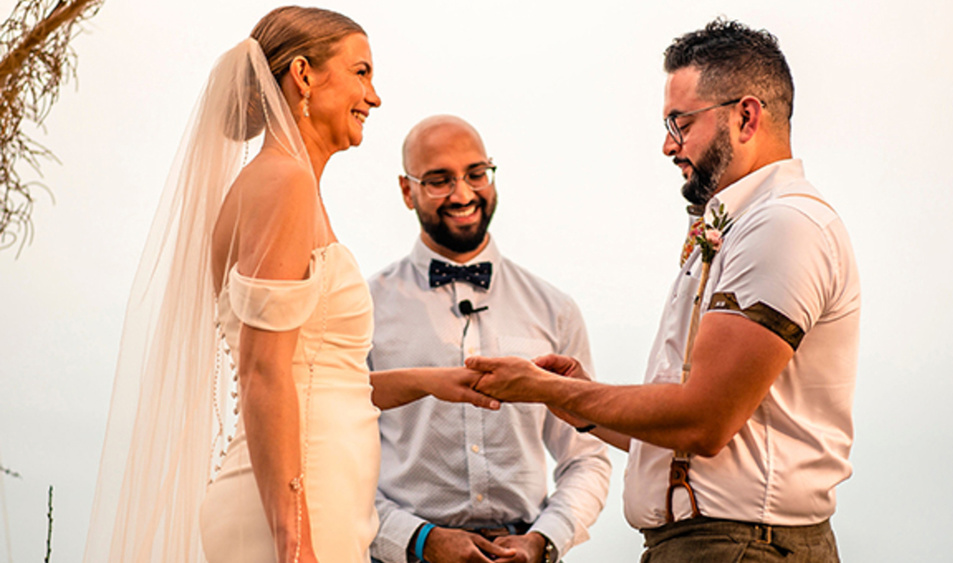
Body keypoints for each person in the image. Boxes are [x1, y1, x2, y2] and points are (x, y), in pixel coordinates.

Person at [84, 8, 494, 563]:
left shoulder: (276, 183)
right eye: (361, 72)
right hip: (299, 504)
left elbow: (316, 376)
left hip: (316, 493)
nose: (374, 97)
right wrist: (293, 537)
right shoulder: (285, 183)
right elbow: (263, 370)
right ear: (303, 75)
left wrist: (432, 381)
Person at [469, 19, 860, 562]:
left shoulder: (783, 226)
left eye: (680, 122)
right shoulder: (743, 222)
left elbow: (703, 420)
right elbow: (689, 432)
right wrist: (586, 407)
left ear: (746, 116)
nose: (666, 145)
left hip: (741, 548)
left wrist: (550, 392)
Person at [367, 115, 611, 563]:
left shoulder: (555, 308)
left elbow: (587, 456)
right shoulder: (363, 310)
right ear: (407, 191)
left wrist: (543, 541)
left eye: (476, 174)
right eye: (440, 180)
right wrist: (420, 541)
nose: (463, 195)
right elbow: (336, 464)